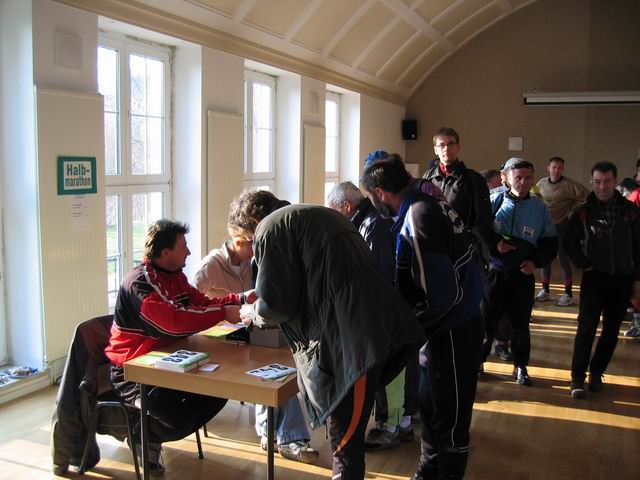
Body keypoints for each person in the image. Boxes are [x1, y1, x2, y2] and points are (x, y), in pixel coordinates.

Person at [231, 189, 424, 480]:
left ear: (254, 222)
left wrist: (253, 312)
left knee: (345, 440)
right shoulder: (316, 214)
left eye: (248, 237)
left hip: (355, 337)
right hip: (372, 324)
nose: (252, 242)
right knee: (346, 433)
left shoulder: (270, 227)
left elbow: (277, 306)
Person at [362, 156, 485, 480]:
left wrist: (402, 333)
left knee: (450, 419)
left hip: (454, 329)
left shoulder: (418, 215)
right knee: (431, 406)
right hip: (447, 327)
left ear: (379, 193)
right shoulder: (426, 202)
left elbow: (441, 297)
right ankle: (427, 472)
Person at [105, 220, 251, 474]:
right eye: (183, 246)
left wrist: (239, 299)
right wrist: (223, 313)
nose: (189, 252)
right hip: (135, 372)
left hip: (170, 361)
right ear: (165, 253)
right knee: (179, 422)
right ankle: (140, 435)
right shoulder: (141, 283)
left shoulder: (174, 276)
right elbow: (172, 323)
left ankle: (150, 434)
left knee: (217, 393)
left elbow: (200, 303)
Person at [193, 224, 319, 463]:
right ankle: (288, 437)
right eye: (254, 244)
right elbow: (192, 301)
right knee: (270, 371)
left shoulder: (252, 264)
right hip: (222, 341)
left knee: (277, 372)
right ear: (239, 242)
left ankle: (273, 433)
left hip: (247, 334)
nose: (258, 249)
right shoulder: (211, 265)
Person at [327, 181, 414, 450]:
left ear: (346, 206)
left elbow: (377, 275)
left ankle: (390, 427)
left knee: (387, 374)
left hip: (381, 313)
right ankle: (400, 423)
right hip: (387, 310)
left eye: (334, 212)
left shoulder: (372, 226)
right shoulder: (371, 220)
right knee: (393, 372)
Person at [564, 162, 640, 399]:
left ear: (615, 181)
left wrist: (637, 279)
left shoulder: (631, 211)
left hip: (622, 278)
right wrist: (584, 264)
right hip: (594, 278)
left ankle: (596, 372)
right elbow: (568, 242)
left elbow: (639, 247)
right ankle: (577, 377)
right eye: (597, 182)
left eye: (607, 181)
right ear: (592, 182)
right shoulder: (583, 211)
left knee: (611, 330)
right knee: (586, 328)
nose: (602, 186)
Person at [481, 159, 558, 386]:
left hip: (522, 276)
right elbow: (479, 232)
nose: (523, 182)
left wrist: (535, 262)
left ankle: (520, 366)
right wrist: (495, 244)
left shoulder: (538, 208)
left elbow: (550, 243)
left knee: (520, 324)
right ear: (507, 178)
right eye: (518, 178)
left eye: (528, 178)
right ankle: (478, 362)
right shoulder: (493, 201)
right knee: (485, 321)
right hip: (494, 273)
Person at [423, 127, 493, 249]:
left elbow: (483, 220)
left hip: (462, 249)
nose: (446, 148)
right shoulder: (428, 178)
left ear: (458, 147)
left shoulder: (474, 180)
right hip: (433, 246)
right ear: (435, 150)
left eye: (451, 144)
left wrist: (468, 243)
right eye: (442, 145)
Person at [535, 156, 589, 306]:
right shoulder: (541, 183)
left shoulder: (570, 185)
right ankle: (545, 290)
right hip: (545, 226)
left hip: (561, 225)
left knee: (563, 258)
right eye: (554, 167)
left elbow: (586, 196)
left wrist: (572, 209)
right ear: (548, 168)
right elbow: (536, 199)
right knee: (545, 258)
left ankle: (568, 293)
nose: (556, 170)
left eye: (559, 168)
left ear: (563, 169)